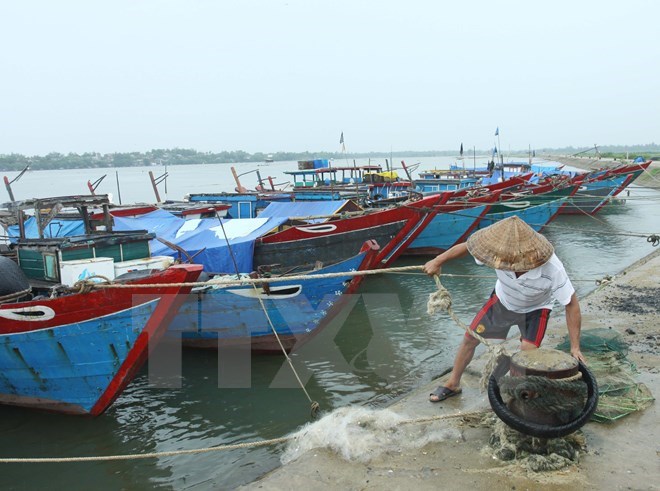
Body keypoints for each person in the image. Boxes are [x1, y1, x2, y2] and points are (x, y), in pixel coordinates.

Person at [423, 216, 585, 403]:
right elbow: (468, 247)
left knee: (527, 350)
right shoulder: (497, 251)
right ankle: (453, 383)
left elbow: (571, 304)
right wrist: (438, 260)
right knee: (470, 339)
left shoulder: (552, 268)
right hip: (503, 301)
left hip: (536, 308)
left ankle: (519, 390)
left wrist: (575, 347)